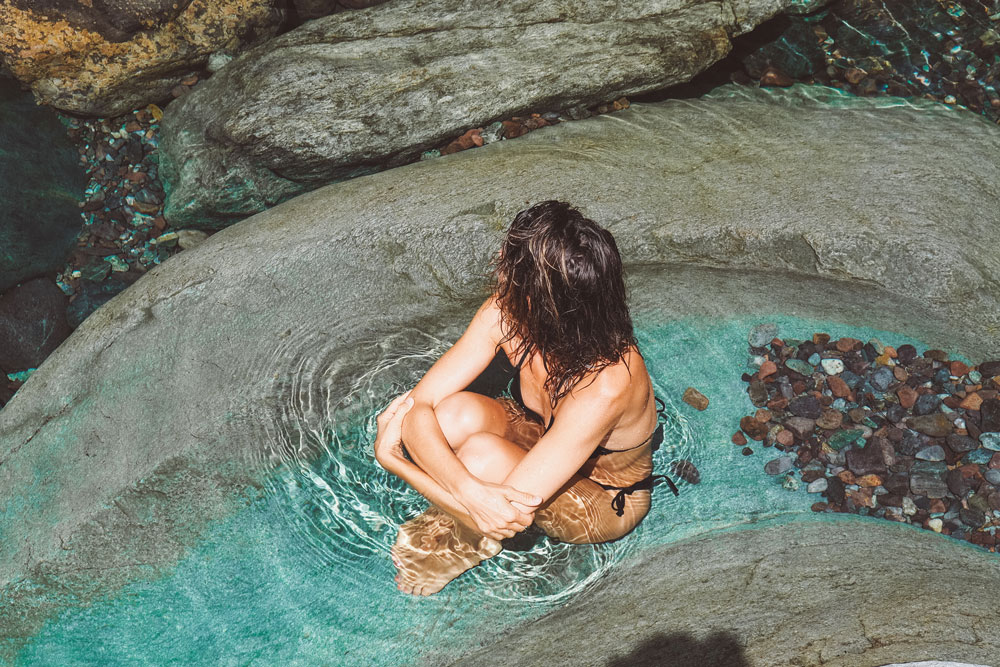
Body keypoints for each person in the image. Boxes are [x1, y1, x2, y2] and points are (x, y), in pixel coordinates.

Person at [373, 200, 672, 596]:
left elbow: (508, 515)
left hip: (600, 496)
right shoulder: (509, 313)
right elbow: (418, 407)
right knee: (453, 414)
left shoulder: (606, 383)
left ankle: (460, 542)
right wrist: (468, 490)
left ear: (540, 299)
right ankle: (461, 503)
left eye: (511, 257)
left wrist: (393, 460)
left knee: (481, 457)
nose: (499, 257)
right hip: (539, 434)